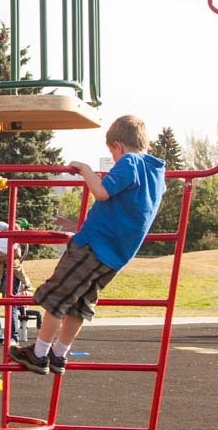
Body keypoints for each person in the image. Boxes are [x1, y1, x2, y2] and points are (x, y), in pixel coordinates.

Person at [10, 115, 165, 375]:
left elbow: (102, 192)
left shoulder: (129, 161)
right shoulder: (158, 171)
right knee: (81, 303)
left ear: (118, 146)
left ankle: (39, 353)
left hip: (94, 244)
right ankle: (59, 354)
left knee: (57, 295)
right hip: (117, 255)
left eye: (112, 154)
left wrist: (85, 170)